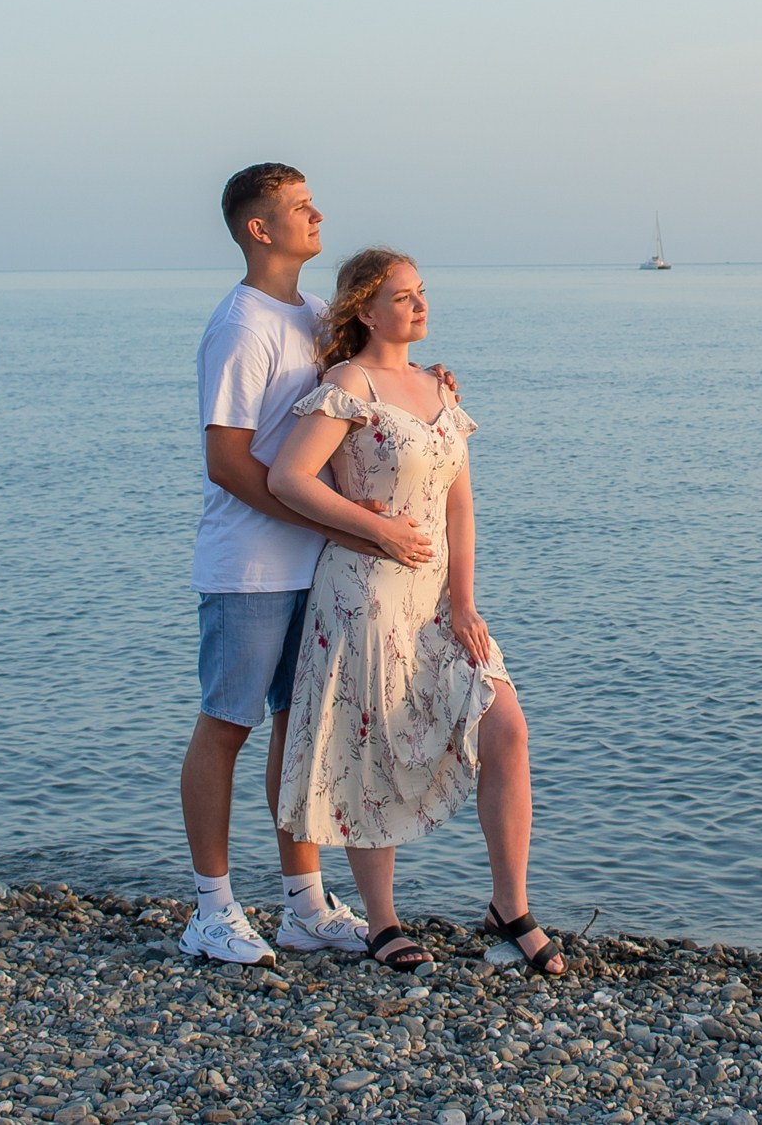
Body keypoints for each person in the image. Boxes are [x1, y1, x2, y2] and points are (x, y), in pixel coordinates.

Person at [266, 248, 564, 977]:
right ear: (366, 309)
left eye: (422, 292)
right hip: (364, 591)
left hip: (437, 599)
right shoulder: (350, 384)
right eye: (403, 296)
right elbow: (287, 477)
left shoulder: (437, 387)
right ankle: (382, 921)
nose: (419, 305)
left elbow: (461, 504)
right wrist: (376, 527)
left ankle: (509, 907)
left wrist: (464, 599)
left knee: (508, 729)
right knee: (372, 747)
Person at [178, 164, 442, 966]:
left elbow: (368, 382)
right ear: (260, 229)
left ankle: (303, 905)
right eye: (298, 207)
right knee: (227, 725)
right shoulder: (241, 325)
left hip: (322, 564)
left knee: (304, 736)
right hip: (250, 569)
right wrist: (351, 523)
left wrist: (431, 386)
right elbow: (227, 461)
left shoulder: (318, 315)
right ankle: (211, 909)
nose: (316, 212)